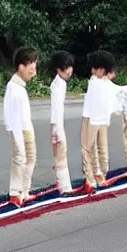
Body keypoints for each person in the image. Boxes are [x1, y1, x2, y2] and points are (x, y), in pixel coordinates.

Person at [4, 47, 38, 207]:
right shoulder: (13, 87)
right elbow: (10, 115)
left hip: (26, 128)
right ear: (21, 66)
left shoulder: (19, 87)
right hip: (20, 130)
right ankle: (15, 193)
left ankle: (24, 191)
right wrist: (15, 136)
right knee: (20, 159)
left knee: (30, 159)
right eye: (32, 68)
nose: (34, 72)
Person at [81, 51, 117, 191]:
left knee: (87, 148)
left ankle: (90, 180)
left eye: (94, 68)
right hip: (103, 120)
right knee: (102, 147)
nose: (92, 71)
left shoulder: (94, 82)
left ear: (101, 69)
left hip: (90, 118)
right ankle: (101, 175)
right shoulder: (107, 84)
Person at [50, 50, 74, 195]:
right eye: (67, 67)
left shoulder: (60, 83)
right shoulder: (58, 84)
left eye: (71, 67)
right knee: (61, 155)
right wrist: (56, 129)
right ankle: (65, 188)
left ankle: (62, 185)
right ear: (59, 69)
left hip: (58, 124)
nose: (70, 71)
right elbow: (56, 108)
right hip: (57, 125)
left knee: (60, 155)